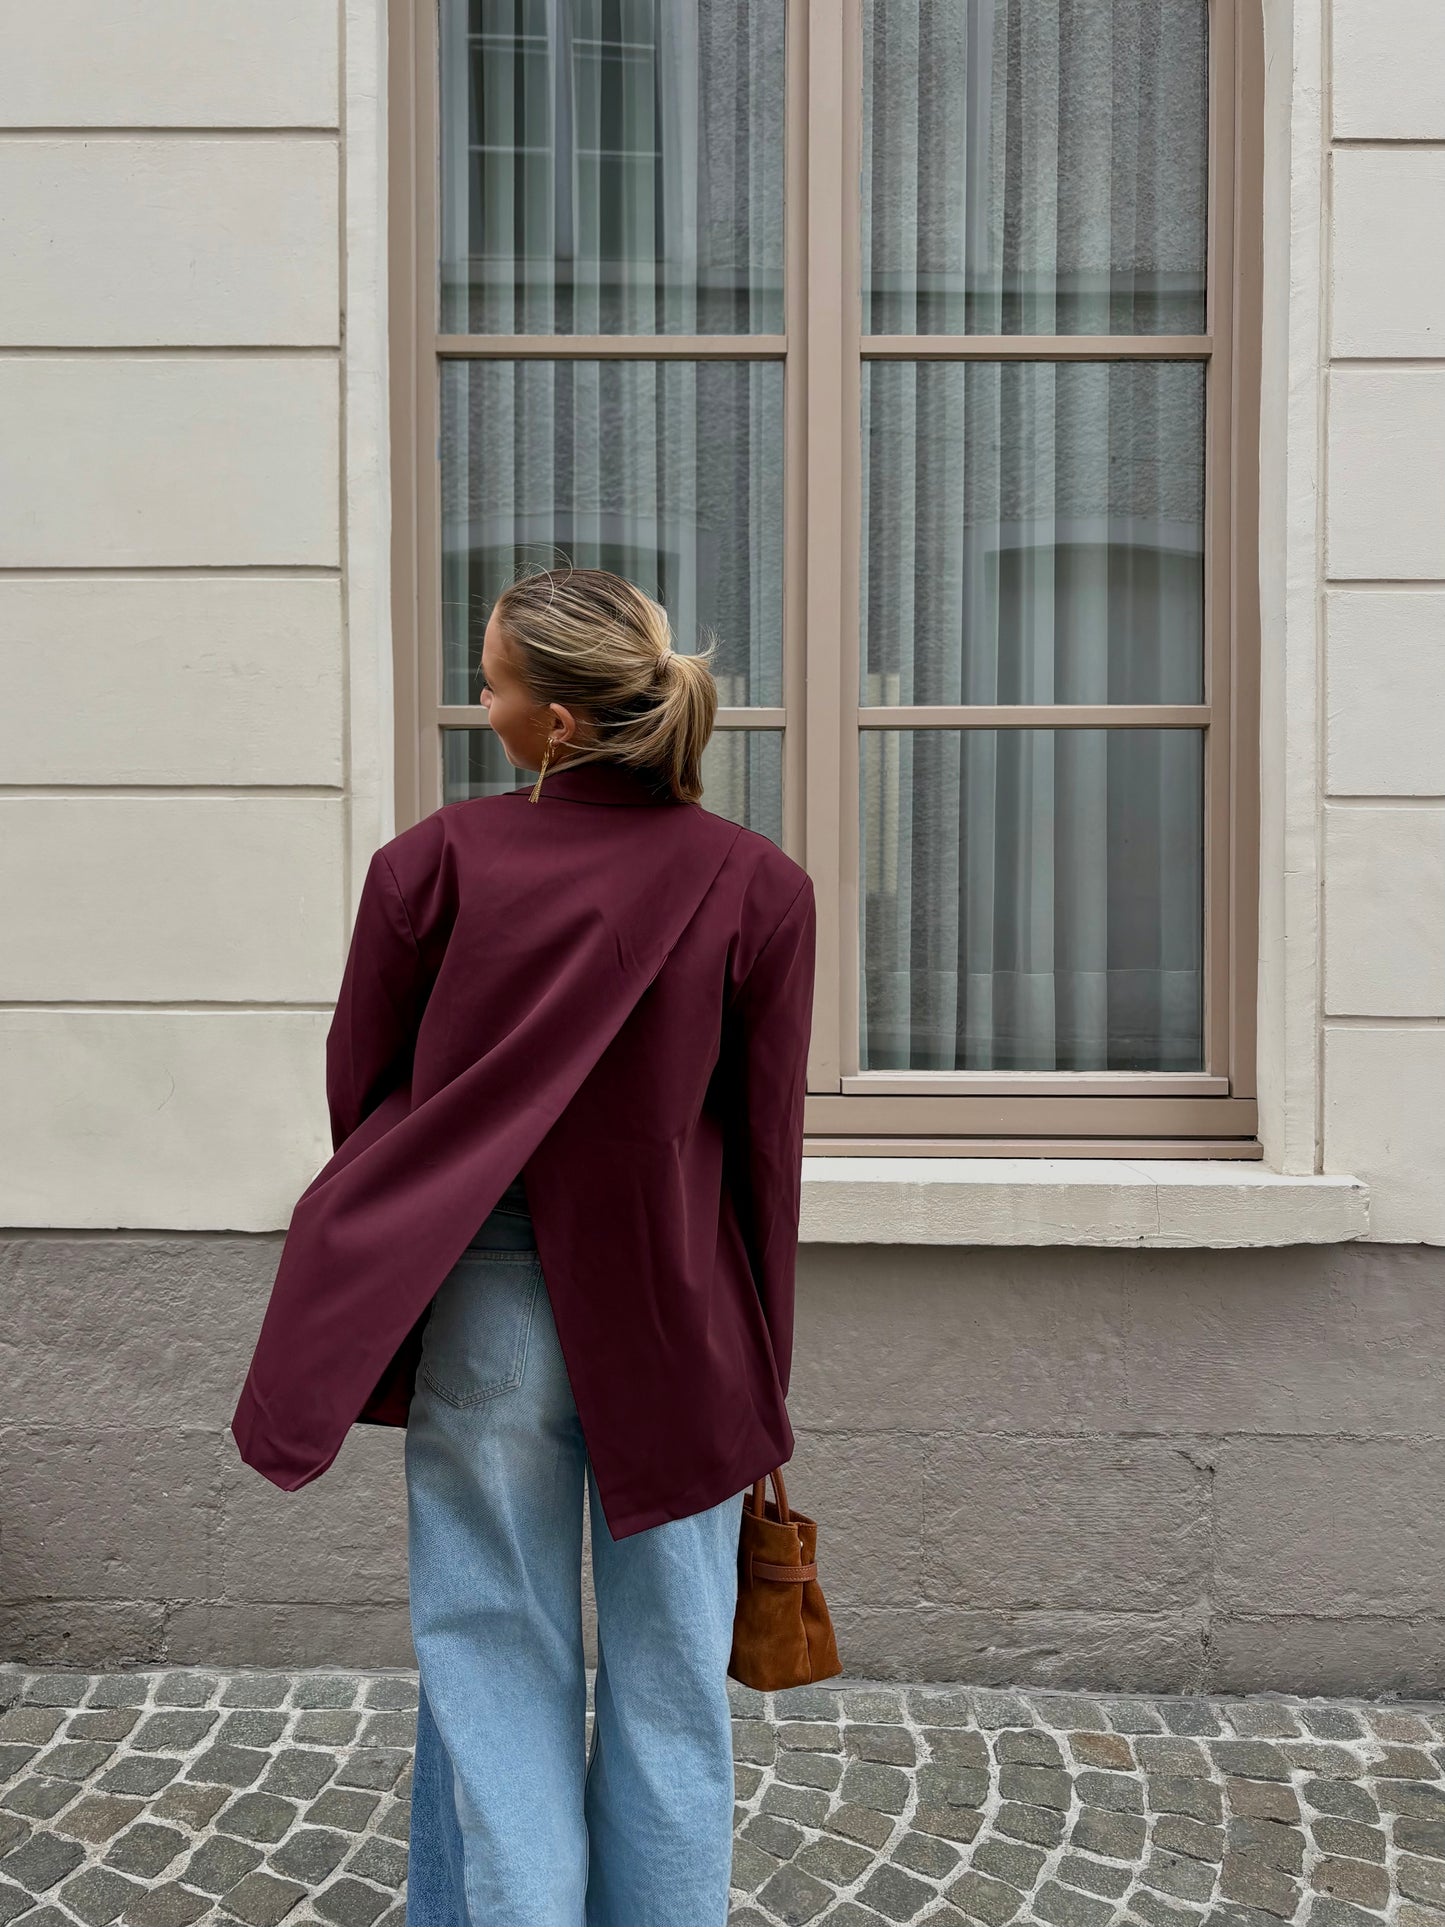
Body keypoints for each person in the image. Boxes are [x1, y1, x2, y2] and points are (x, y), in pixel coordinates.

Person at [230, 566, 817, 1927]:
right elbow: (767, 1162)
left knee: (494, 1652)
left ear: (553, 720)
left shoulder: (432, 863)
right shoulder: (758, 885)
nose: (476, 698)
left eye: (488, 678)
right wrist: (763, 1378)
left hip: (487, 1309)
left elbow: (367, 1102)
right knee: (674, 1676)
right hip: (683, 1324)